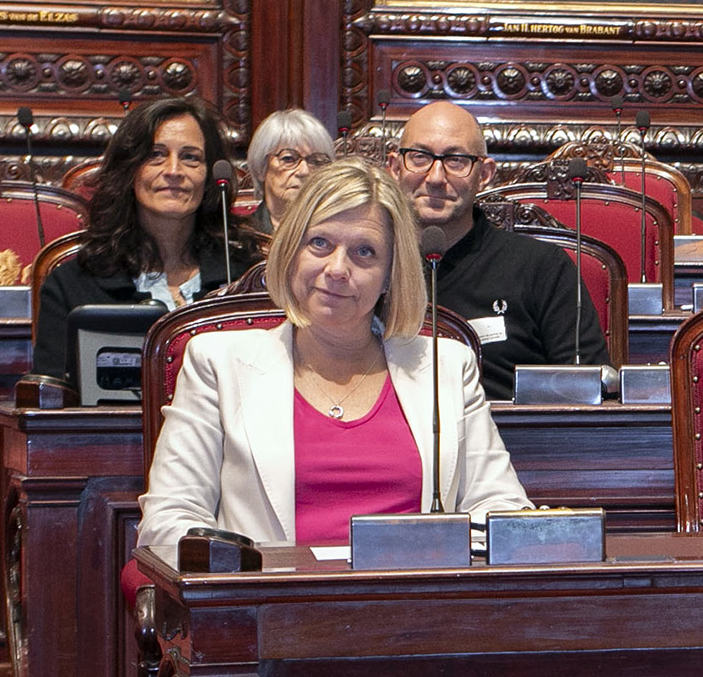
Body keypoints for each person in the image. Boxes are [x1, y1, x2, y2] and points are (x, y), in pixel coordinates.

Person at [136, 161, 530, 564]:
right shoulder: (217, 362)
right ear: (291, 253)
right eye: (320, 243)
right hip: (269, 607)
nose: (337, 269)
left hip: (416, 606)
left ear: (390, 275)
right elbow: (169, 518)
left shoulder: (445, 365)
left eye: (364, 252)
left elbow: (500, 505)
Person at [389, 102, 606, 398]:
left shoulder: (542, 267)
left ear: (485, 174)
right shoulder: (368, 265)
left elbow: (586, 392)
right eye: (419, 157)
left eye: (456, 160)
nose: (436, 177)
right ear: (394, 167)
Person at [33, 96, 255, 384]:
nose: (174, 171)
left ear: (210, 175)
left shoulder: (246, 276)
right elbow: (50, 397)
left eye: (191, 157)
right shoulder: (71, 284)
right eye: (155, 155)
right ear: (129, 169)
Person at [246, 109, 334, 235]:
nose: (304, 171)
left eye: (316, 161)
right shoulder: (242, 237)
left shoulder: (336, 233)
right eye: (288, 159)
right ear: (261, 168)